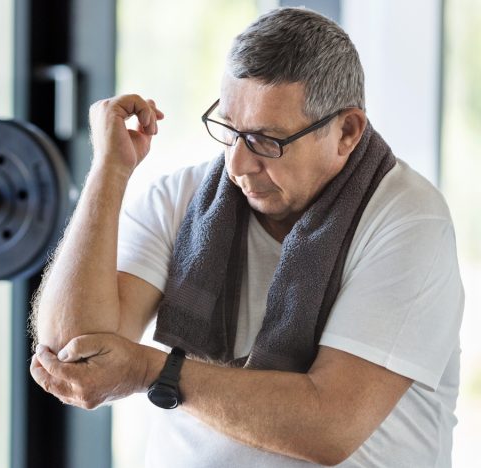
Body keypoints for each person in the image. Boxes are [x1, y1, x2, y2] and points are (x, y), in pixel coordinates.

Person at [29, 7, 464, 467]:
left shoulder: (408, 222)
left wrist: (150, 370)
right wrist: (108, 171)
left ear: (347, 131)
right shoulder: (182, 197)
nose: (237, 165)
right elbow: (70, 355)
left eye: (266, 140)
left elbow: (329, 426)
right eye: (231, 130)